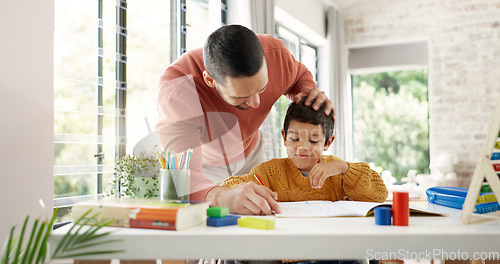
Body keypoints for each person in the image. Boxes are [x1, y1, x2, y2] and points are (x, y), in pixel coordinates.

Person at [155, 24, 336, 214]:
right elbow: (182, 177)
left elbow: (298, 76)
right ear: (210, 80)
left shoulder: (275, 55)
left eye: (262, 88)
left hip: (251, 150)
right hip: (205, 167)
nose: (257, 103)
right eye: (241, 97)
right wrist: (221, 196)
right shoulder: (177, 90)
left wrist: (307, 91)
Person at [221, 96, 388, 204]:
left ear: (328, 142)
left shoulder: (338, 172)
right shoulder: (270, 172)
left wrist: (344, 168)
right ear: (284, 138)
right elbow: (228, 187)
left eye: (313, 140)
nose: (303, 147)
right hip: (294, 254)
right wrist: (250, 190)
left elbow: (380, 194)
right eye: (294, 139)